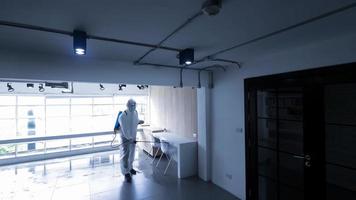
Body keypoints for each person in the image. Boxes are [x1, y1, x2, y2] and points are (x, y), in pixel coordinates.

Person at [118, 99, 144, 182]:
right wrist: (130, 139)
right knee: (125, 155)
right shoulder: (123, 115)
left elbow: (134, 121)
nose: (134, 107)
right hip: (125, 138)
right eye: (132, 105)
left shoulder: (135, 112)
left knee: (132, 153)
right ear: (127, 105)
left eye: (135, 105)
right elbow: (125, 129)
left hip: (133, 137)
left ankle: (130, 168)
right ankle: (125, 172)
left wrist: (139, 121)